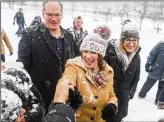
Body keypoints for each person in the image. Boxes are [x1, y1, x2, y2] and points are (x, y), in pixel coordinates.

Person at [17, 0, 78, 112]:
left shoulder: (69, 36)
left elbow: (75, 65)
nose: (54, 19)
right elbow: (22, 68)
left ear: (62, 14)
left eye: (57, 15)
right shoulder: (30, 34)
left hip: (63, 100)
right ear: (43, 13)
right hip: (38, 102)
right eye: (49, 14)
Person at [57, 33, 118, 122]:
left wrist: (112, 105)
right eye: (85, 51)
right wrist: (65, 92)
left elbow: (111, 94)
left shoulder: (108, 71)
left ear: (100, 55)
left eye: (93, 52)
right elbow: (66, 79)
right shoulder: (74, 66)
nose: (88, 56)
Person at [104, 22, 141, 122]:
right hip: (107, 100)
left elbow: (136, 79)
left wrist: (130, 94)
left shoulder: (136, 57)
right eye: (128, 40)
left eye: (134, 40)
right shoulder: (110, 53)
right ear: (122, 40)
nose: (131, 44)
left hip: (123, 100)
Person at [138, 40, 164, 105]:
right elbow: (152, 54)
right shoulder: (160, 45)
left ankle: (158, 101)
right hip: (156, 68)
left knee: (161, 88)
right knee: (148, 83)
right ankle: (141, 95)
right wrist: (149, 63)